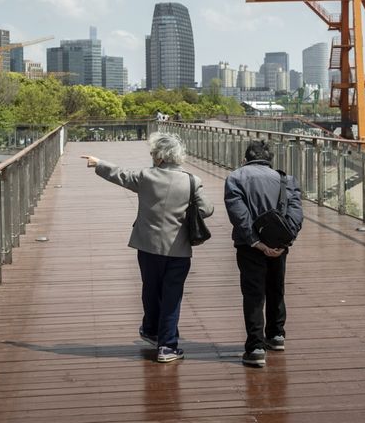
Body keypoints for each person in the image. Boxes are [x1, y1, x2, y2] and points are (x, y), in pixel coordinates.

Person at [81, 132, 212, 364]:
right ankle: (167, 346)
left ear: (161, 157)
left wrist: (98, 163)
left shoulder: (146, 177)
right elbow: (207, 209)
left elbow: (119, 174)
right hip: (178, 249)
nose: (151, 157)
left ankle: (151, 330)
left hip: (148, 246)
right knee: (172, 296)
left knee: (150, 289)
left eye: (153, 153)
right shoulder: (192, 181)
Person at [224, 140, 303, 368]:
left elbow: (238, 214)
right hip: (279, 245)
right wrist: (284, 241)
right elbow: (296, 214)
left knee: (253, 294)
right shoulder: (285, 180)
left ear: (245, 158)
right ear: (270, 160)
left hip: (249, 246)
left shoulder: (235, 178)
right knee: (276, 288)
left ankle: (256, 348)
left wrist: (256, 241)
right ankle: (277, 335)